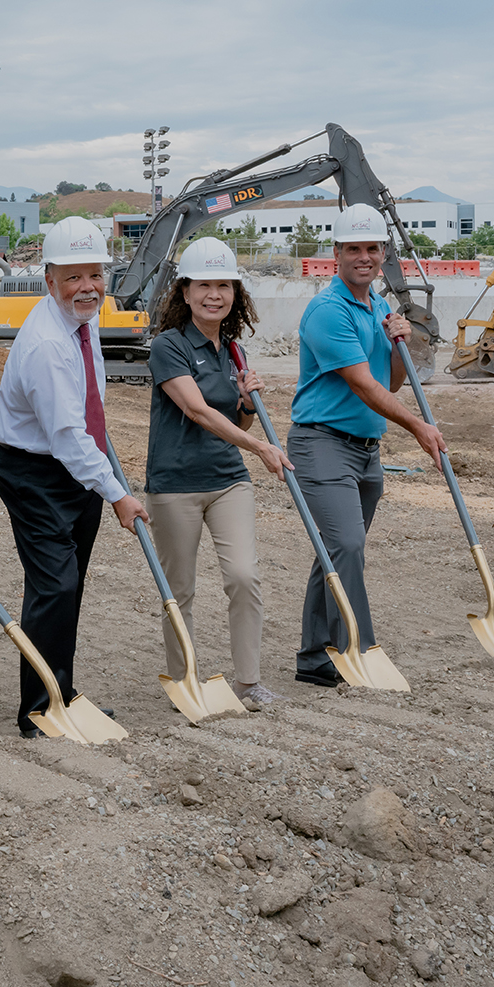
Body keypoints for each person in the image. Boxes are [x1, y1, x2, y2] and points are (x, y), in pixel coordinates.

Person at [0, 217, 148, 737]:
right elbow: (66, 437)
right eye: (74, 277)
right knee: (54, 586)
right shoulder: (46, 345)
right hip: (34, 472)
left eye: (95, 275)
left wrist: (102, 470)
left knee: (69, 587)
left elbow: (85, 413)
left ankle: (63, 691)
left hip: (74, 470)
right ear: (50, 279)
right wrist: (120, 494)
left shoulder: (83, 322)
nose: (88, 287)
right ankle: (38, 709)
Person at [288, 204, 445, 687]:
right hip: (322, 444)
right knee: (347, 545)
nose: (363, 256)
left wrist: (402, 343)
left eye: (371, 248)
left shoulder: (379, 306)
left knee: (336, 551)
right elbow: (362, 386)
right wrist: (419, 427)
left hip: (365, 449)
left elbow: (391, 382)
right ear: (336, 254)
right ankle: (359, 648)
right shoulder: (327, 310)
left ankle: (315, 657)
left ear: (383, 254)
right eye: (353, 248)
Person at [144, 237, 291, 709]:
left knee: (245, 577)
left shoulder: (234, 351)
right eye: (204, 284)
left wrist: (247, 404)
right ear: (184, 292)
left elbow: (234, 419)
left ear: (235, 294)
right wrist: (261, 446)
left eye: (223, 285)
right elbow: (198, 411)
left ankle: (247, 683)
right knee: (179, 589)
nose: (215, 294)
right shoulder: (168, 346)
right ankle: (185, 682)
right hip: (174, 485)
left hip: (228, 479)